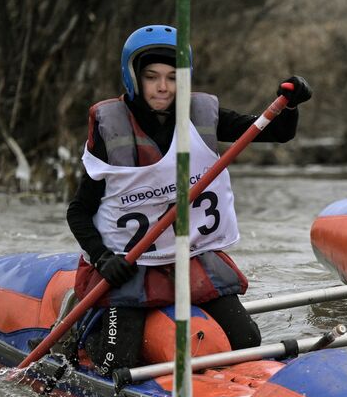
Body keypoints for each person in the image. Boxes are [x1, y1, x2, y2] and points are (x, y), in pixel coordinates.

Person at [65, 24, 310, 375]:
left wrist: (289, 103)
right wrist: (103, 259)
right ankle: (86, 331)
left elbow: (278, 132)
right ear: (133, 77)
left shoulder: (202, 114)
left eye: (172, 76)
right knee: (114, 362)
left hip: (189, 258)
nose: (163, 87)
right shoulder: (109, 127)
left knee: (246, 339)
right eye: (151, 77)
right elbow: (79, 211)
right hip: (129, 264)